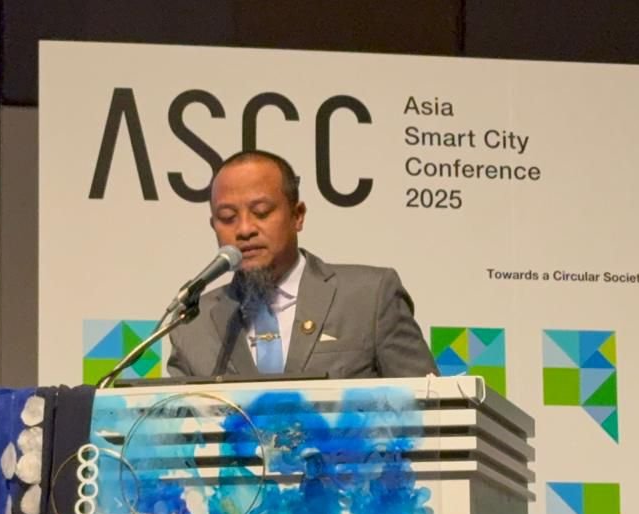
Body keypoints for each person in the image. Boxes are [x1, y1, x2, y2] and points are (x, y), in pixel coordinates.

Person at [166, 149, 438, 380]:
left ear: (297, 216)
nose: (245, 229)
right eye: (227, 217)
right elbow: (175, 425)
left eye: (261, 212)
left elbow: (431, 408)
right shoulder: (191, 324)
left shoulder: (370, 297)